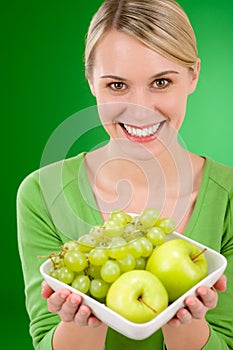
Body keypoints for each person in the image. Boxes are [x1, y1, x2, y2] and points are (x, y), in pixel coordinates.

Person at [17, 0, 233, 349]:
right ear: (90, 80)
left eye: (161, 82)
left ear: (193, 75)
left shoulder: (228, 197)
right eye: (117, 86)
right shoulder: (41, 193)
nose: (141, 109)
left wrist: (186, 324)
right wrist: (82, 322)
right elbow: (44, 341)